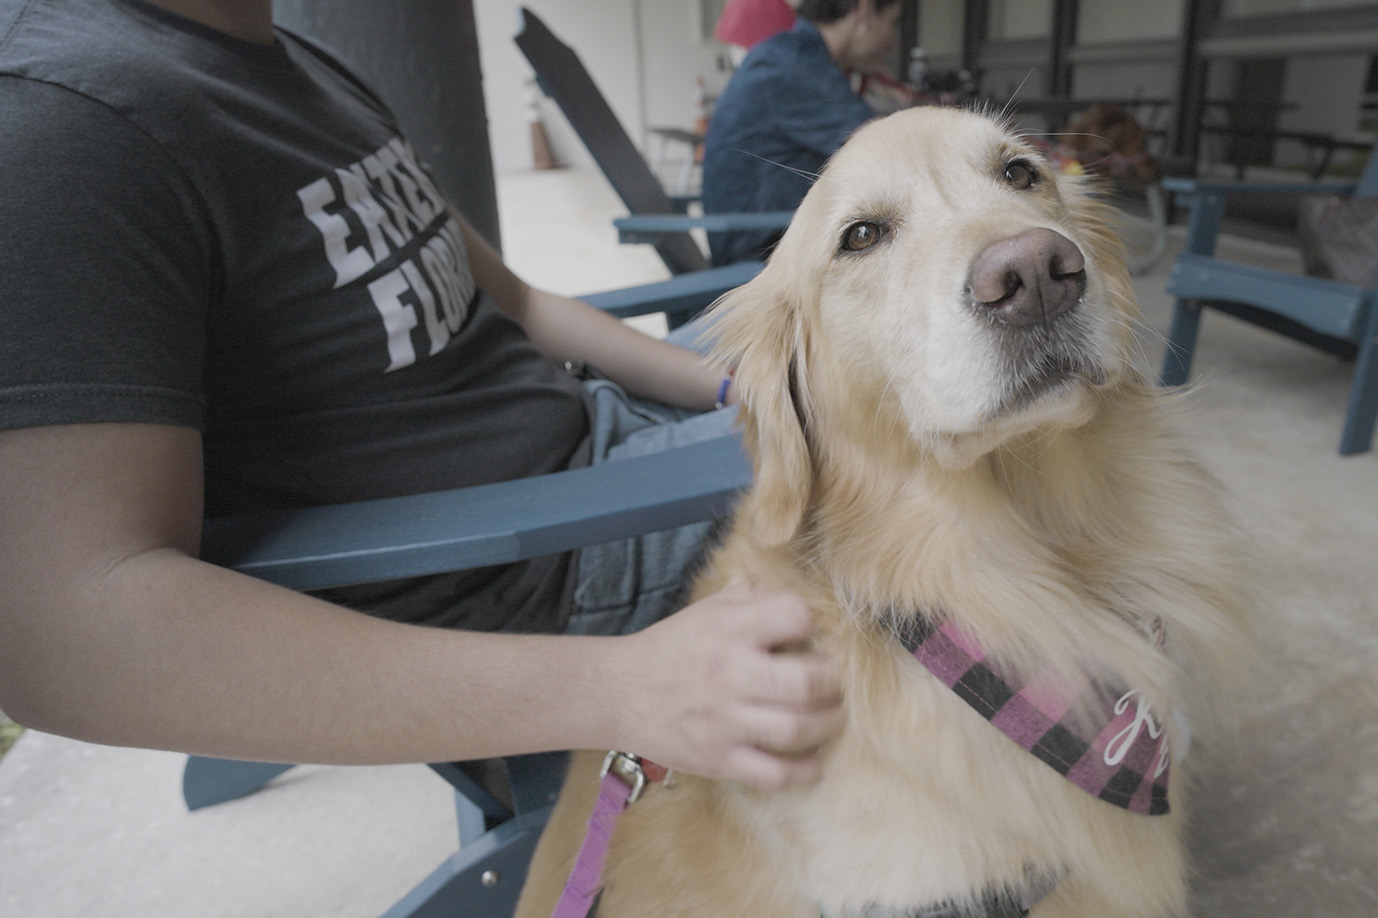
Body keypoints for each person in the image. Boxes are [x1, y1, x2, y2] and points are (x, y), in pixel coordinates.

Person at [0, 0, 843, 791]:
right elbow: (68, 631)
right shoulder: (61, 120)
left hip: (588, 435)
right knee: (929, 455)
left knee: (860, 356)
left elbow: (518, 301)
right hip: (552, 569)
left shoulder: (292, 54)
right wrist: (623, 688)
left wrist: (734, 385)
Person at [702, 0, 901, 266]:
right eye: (892, 22)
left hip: (769, 236)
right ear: (863, 11)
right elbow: (892, 150)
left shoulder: (788, 53)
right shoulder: (793, 65)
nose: (892, 40)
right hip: (762, 256)